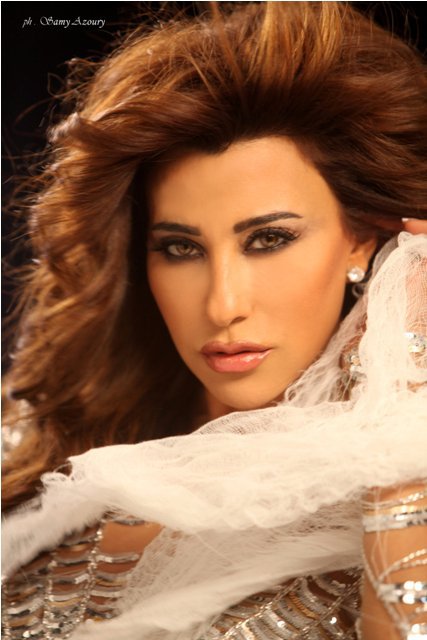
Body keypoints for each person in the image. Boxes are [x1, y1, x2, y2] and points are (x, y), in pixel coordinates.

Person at [2, 3, 426, 639]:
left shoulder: (401, 489)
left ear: (363, 240)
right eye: (180, 248)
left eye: (269, 239)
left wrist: (405, 402)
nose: (223, 305)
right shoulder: (35, 450)